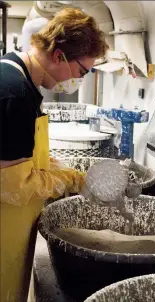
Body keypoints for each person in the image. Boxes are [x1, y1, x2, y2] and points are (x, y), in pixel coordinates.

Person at [0, 7, 108, 302]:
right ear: (59, 56)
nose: (78, 80)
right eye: (82, 71)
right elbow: (12, 186)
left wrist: (68, 171)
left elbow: (24, 156)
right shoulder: (14, 93)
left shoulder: (19, 76)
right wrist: (70, 181)